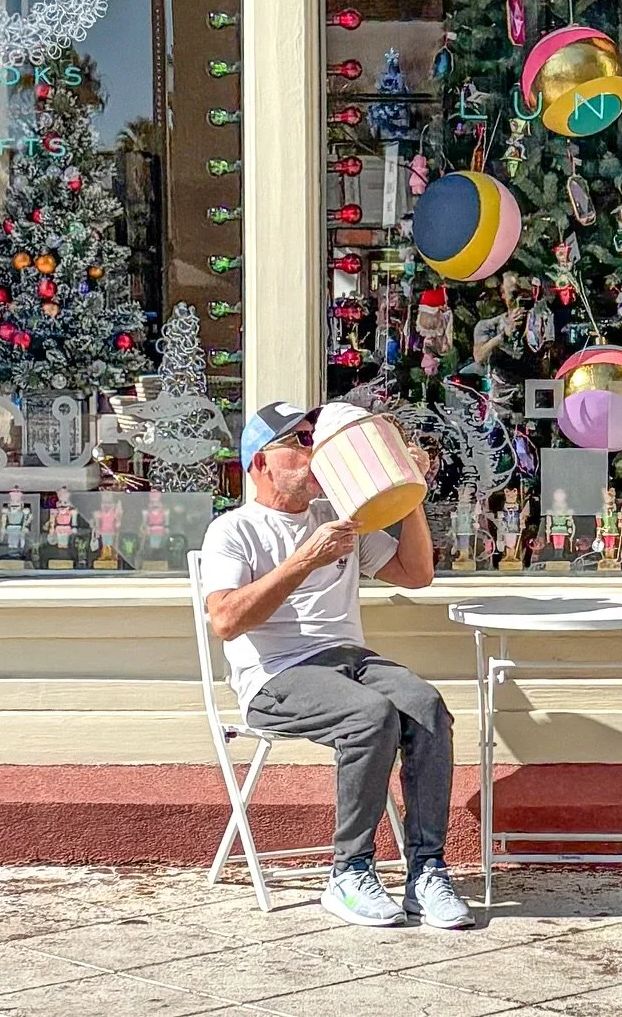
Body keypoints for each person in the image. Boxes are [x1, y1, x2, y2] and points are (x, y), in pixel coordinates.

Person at [200, 399, 474, 932]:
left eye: (313, 437)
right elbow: (226, 622)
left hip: (349, 662)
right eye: (299, 441)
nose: (314, 450)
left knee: (426, 706)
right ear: (259, 460)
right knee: (369, 716)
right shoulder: (233, 530)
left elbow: (416, 574)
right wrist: (307, 558)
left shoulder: (337, 517)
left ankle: (426, 871)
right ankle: (348, 871)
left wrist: (410, 491)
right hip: (275, 675)